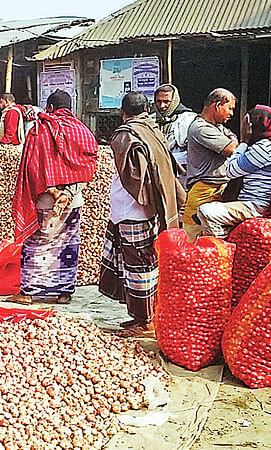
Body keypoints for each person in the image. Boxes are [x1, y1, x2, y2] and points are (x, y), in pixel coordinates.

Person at [99, 92, 184, 337]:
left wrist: (143, 199)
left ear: (122, 112)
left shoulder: (127, 134)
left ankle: (145, 320)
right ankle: (140, 314)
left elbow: (135, 177)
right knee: (137, 261)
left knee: (139, 264)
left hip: (132, 211)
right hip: (138, 211)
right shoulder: (153, 130)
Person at [8, 90, 98, 305]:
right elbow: (89, 165)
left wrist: (54, 191)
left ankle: (28, 292)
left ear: (49, 108)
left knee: (37, 242)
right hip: (73, 200)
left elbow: (33, 167)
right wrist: (68, 193)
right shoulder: (83, 131)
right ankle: (64, 292)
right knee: (68, 243)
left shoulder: (39, 130)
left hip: (45, 200)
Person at [198, 105, 271, 238]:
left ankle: (223, 243)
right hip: (269, 203)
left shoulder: (266, 146)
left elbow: (230, 170)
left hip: (257, 206)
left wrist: (244, 141)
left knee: (206, 211)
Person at [183, 89, 239, 240]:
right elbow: (231, 148)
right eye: (230, 108)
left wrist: (231, 138)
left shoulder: (217, 127)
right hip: (204, 189)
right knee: (194, 237)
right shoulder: (201, 128)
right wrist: (232, 140)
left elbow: (232, 138)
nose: (231, 114)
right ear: (218, 105)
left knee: (216, 241)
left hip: (218, 189)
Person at [151, 84, 197, 188]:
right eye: (159, 101)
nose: (162, 106)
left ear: (174, 101)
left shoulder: (188, 119)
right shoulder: (150, 121)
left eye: (166, 102)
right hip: (156, 172)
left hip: (181, 174)